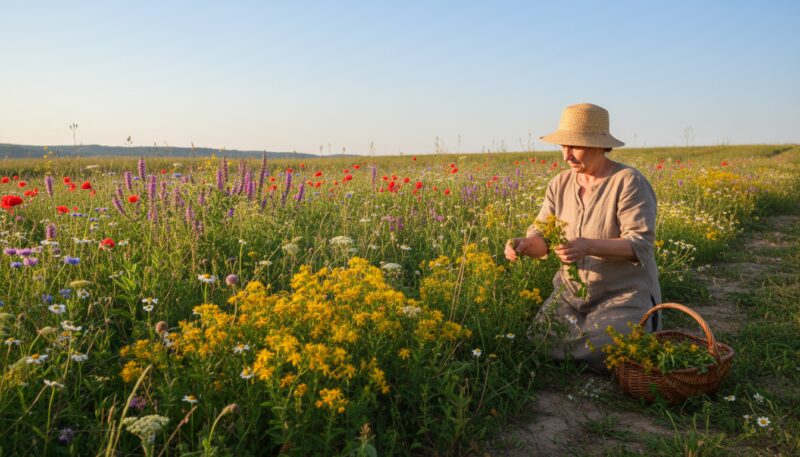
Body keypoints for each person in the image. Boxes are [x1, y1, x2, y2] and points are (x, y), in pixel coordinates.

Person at [504, 103, 661, 373]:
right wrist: (526, 245)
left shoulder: (628, 181)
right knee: (538, 340)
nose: (567, 156)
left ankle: (618, 341)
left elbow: (639, 245)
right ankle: (585, 349)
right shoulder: (560, 183)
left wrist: (587, 246)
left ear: (600, 145)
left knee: (611, 345)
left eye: (575, 146)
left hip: (621, 295)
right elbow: (543, 237)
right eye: (564, 146)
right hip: (571, 296)